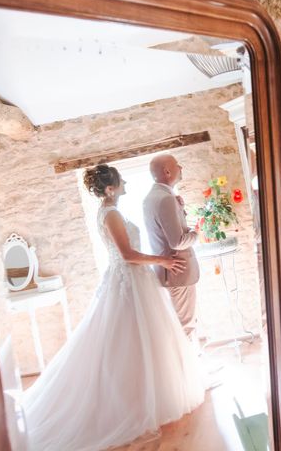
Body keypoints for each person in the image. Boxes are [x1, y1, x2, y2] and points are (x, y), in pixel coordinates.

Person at [22, 164, 205, 451]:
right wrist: (164, 261)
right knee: (130, 344)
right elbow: (127, 254)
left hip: (132, 282)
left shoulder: (108, 212)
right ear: (110, 189)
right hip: (129, 283)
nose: (125, 184)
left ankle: (145, 397)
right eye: (121, 182)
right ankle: (131, 404)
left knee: (139, 344)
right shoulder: (111, 213)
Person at [142, 154, 200, 337]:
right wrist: (197, 233)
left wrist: (180, 210)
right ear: (167, 171)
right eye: (177, 165)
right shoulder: (165, 199)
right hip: (177, 271)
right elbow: (178, 241)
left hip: (171, 273)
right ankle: (188, 365)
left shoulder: (152, 197)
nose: (180, 167)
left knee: (182, 324)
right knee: (185, 327)